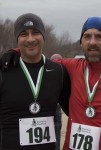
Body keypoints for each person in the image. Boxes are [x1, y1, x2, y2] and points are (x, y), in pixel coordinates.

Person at [1, 17, 101, 150]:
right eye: (87, 37)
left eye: (99, 36)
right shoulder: (68, 67)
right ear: (81, 42)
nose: (92, 42)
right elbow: (36, 58)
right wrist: (16, 52)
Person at [0, 13, 70, 150]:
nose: (30, 39)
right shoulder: (4, 70)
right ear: (17, 39)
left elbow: (77, 111)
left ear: (43, 36)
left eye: (36, 32)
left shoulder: (58, 71)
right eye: (24, 34)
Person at [50, 53, 63, 150]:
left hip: (58, 106)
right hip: (47, 106)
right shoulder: (46, 71)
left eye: (59, 60)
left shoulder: (64, 72)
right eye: (54, 60)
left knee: (57, 128)